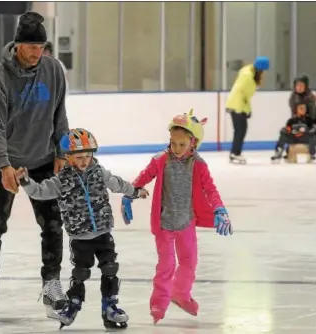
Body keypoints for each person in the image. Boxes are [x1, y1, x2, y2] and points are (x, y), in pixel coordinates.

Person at [0, 12, 69, 320]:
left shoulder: (54, 70)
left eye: (41, 46)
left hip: (43, 161)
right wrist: (3, 166)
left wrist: (62, 151)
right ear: (17, 45)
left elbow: (60, 114)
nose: (36, 53)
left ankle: (52, 282)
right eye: (31, 47)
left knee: (53, 225)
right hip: (7, 164)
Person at [15, 128, 148, 330]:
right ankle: (73, 304)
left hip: (103, 232)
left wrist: (135, 191)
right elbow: (40, 192)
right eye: (79, 157)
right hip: (80, 236)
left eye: (88, 156)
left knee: (110, 268)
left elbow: (118, 184)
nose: (85, 161)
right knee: (81, 273)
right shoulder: (61, 180)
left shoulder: (100, 173)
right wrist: (26, 181)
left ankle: (110, 306)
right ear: (68, 157)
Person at [122, 110, 233, 324]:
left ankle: (180, 294)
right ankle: (159, 302)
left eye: (182, 144)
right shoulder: (161, 159)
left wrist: (220, 209)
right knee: (166, 265)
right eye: (173, 143)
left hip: (186, 222)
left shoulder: (198, 164)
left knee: (189, 262)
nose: (177, 148)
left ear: (193, 143)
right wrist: (130, 193)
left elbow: (211, 190)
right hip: (164, 222)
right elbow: (144, 176)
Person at [225, 56, 270, 164]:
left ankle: (235, 152)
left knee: (240, 130)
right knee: (241, 130)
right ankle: (235, 153)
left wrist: (247, 109)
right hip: (237, 106)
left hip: (236, 104)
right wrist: (242, 110)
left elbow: (244, 95)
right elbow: (241, 93)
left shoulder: (248, 72)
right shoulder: (248, 77)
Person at [289, 74, 316, 161]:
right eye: (297, 85)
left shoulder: (310, 97)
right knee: (293, 132)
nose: (299, 87)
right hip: (301, 118)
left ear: (306, 86)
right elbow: (293, 112)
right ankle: (289, 152)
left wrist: (310, 124)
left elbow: (312, 113)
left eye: (302, 85)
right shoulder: (293, 97)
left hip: (315, 118)